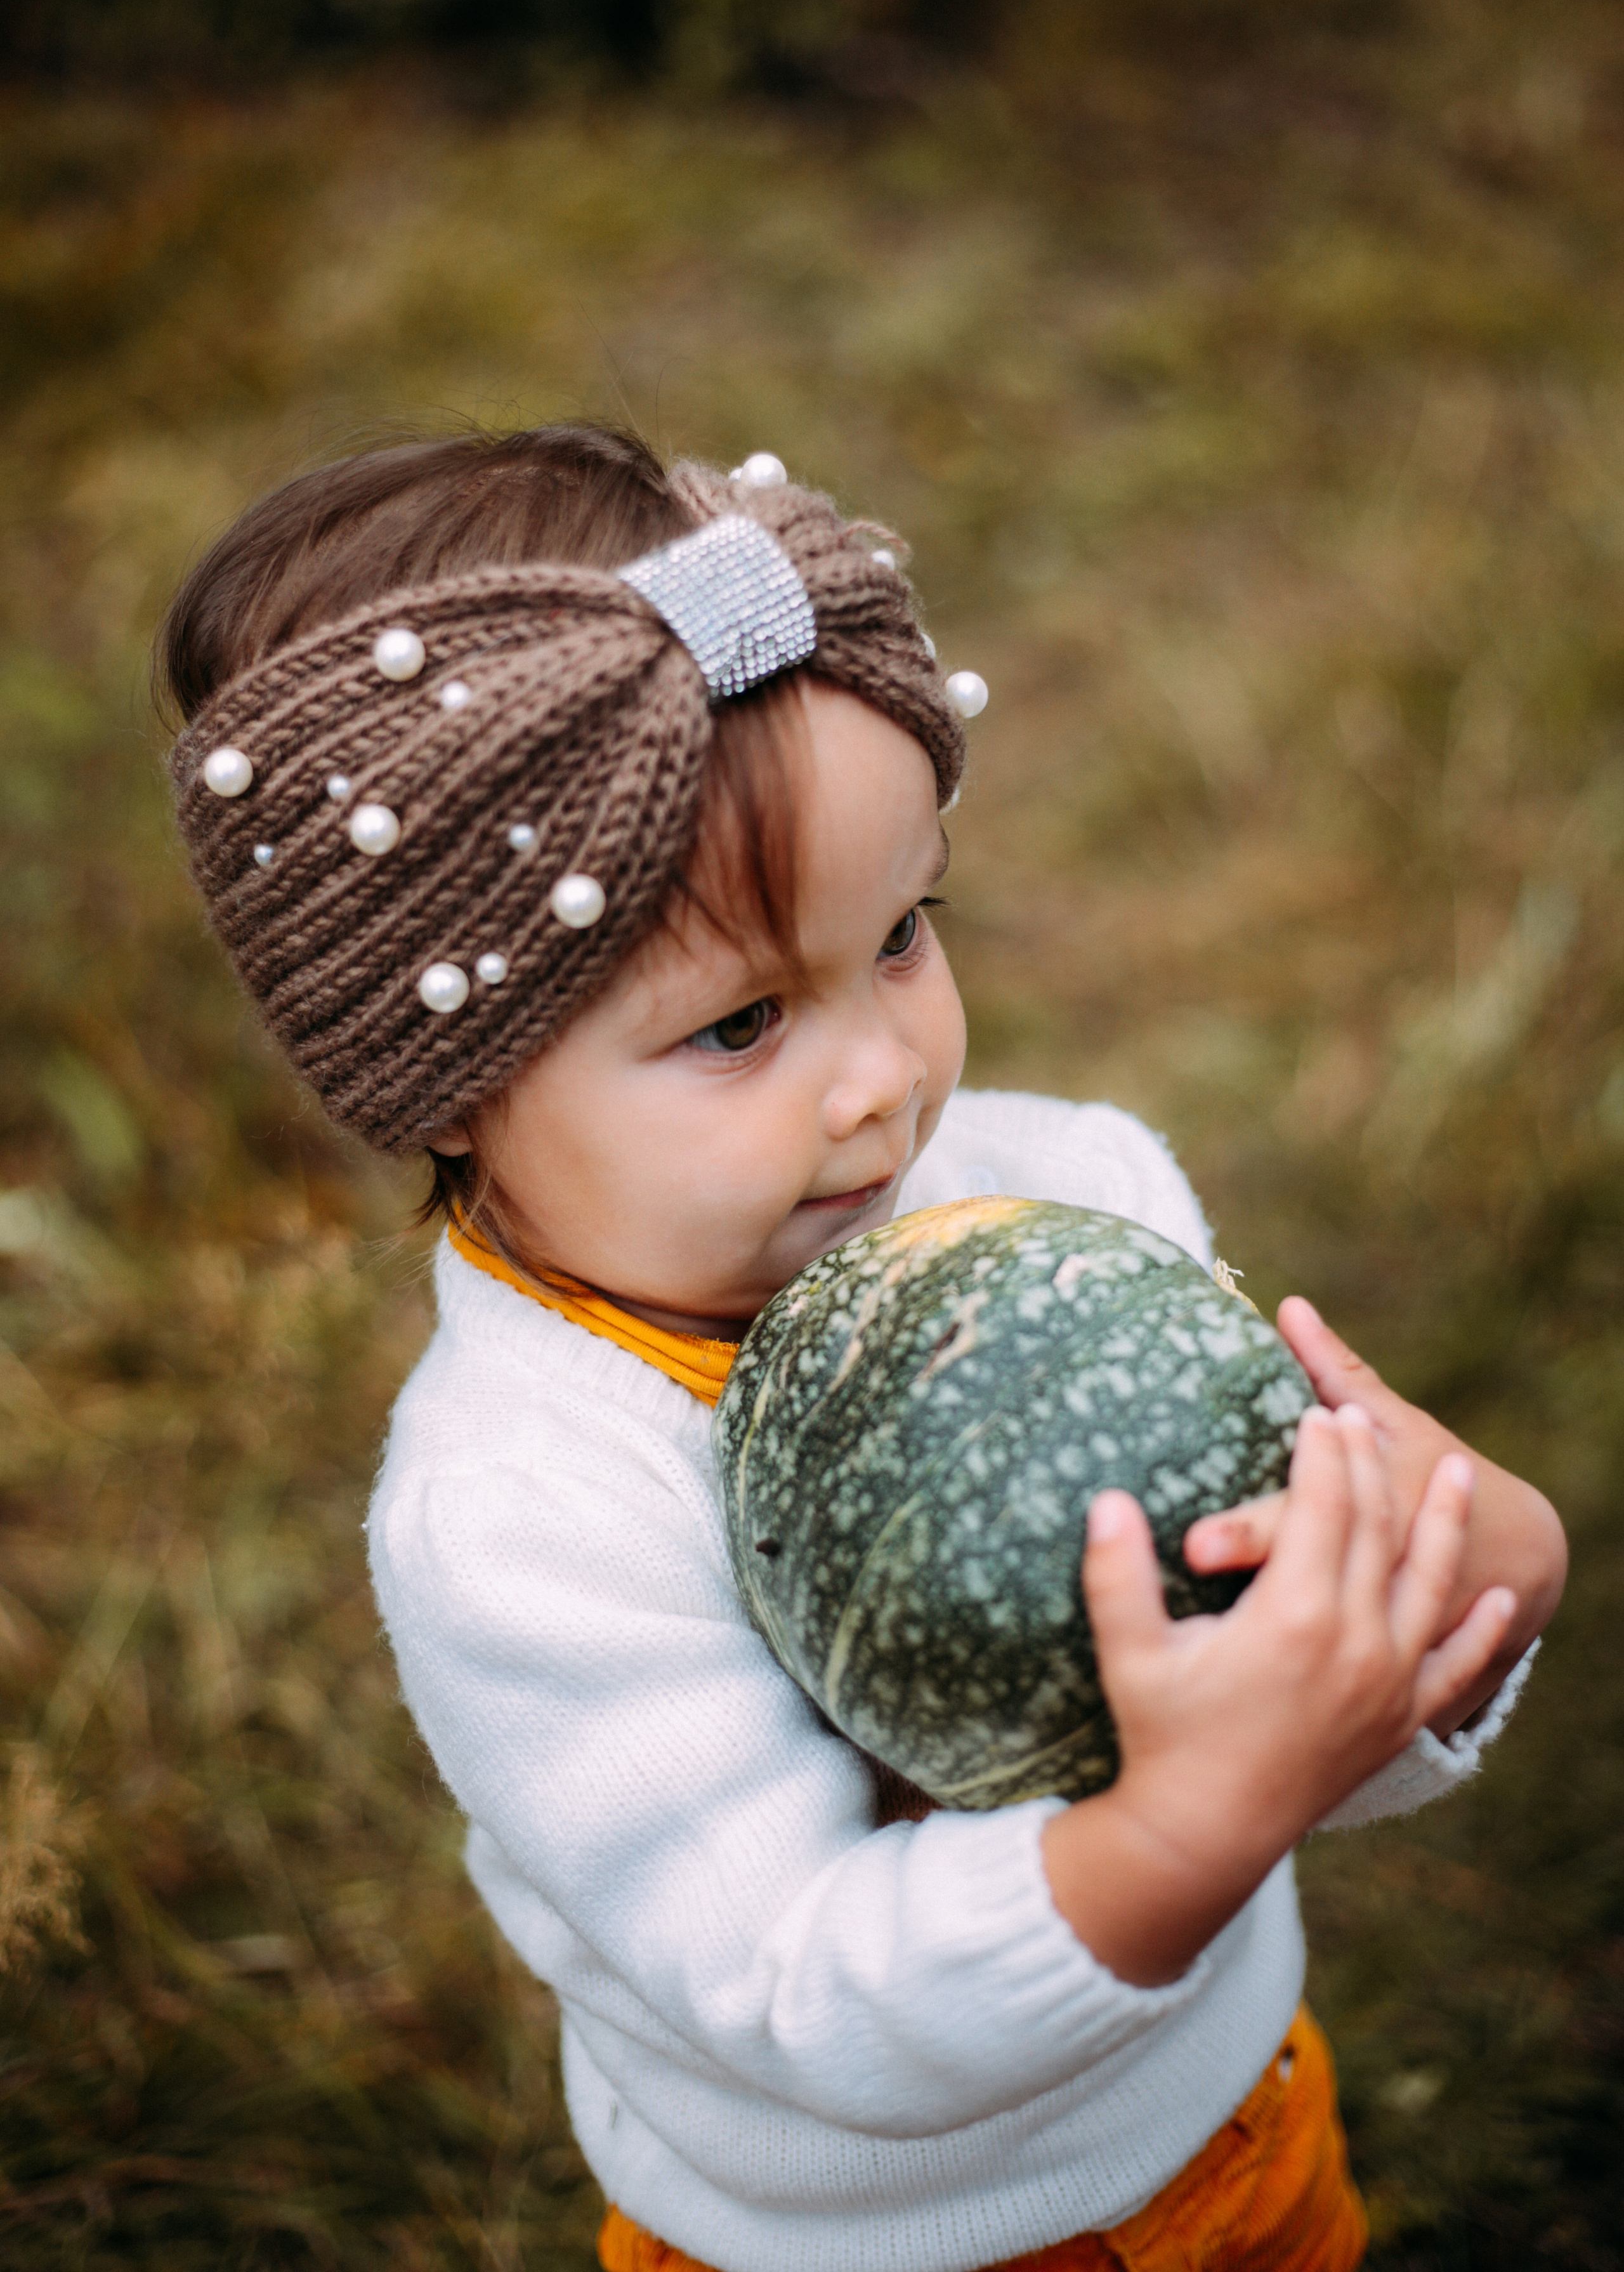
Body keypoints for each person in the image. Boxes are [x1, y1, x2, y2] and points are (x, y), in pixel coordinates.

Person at [159, 424, 1566, 2272]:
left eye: (904, 933)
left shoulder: (1070, 1197)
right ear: (447, 1091)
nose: (884, 1080)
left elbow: (1268, 1690)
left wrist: (1448, 1612)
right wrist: (1173, 1843)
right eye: (741, 1027)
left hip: (1239, 2127)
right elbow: (784, 1989)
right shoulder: (525, 1513)